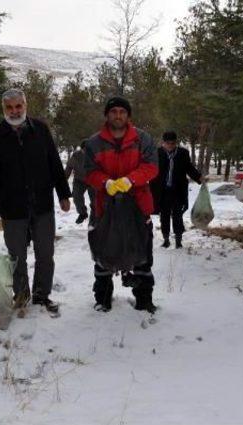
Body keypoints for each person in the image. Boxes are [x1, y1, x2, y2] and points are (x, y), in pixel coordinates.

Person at [0, 88, 71, 314]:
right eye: (9, 107)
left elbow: (54, 163)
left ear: (25, 106)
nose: (14, 111)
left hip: (43, 205)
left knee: (45, 253)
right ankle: (21, 295)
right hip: (12, 208)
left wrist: (64, 194)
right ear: (3, 109)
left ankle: (41, 295)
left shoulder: (41, 130)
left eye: (18, 106)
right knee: (16, 256)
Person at [84, 96, 158, 313]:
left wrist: (130, 180)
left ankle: (144, 300)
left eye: (122, 112)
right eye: (114, 111)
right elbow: (88, 172)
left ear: (128, 115)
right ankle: (103, 298)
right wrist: (105, 182)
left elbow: (152, 166)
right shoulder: (94, 142)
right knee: (103, 254)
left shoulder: (142, 139)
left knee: (142, 255)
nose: (118, 115)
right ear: (107, 114)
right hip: (104, 207)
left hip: (137, 206)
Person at [152, 130, 203, 249]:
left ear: (176, 143)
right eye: (167, 143)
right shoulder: (156, 153)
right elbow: (149, 169)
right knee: (164, 216)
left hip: (177, 191)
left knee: (177, 216)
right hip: (162, 191)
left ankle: (178, 240)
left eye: (172, 143)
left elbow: (189, 168)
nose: (170, 145)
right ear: (163, 143)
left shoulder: (183, 153)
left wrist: (199, 178)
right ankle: (166, 239)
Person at [65, 140, 95, 225]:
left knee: (95, 200)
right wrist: (63, 181)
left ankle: (95, 216)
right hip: (79, 180)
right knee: (76, 196)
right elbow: (68, 168)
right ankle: (82, 213)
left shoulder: (95, 154)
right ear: (81, 149)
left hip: (93, 180)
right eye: (84, 149)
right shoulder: (76, 156)